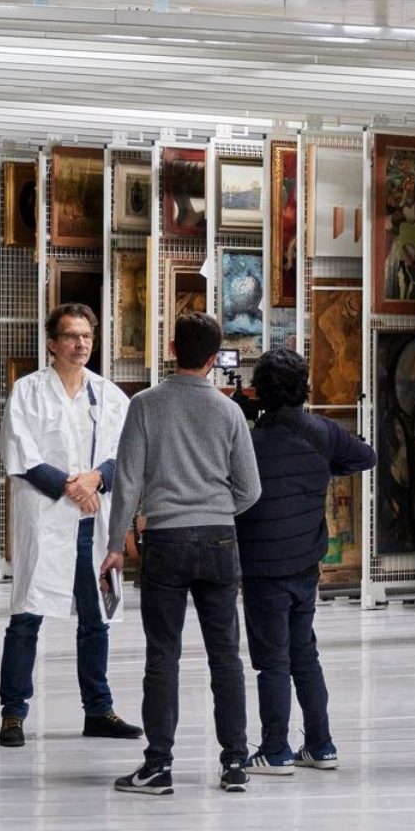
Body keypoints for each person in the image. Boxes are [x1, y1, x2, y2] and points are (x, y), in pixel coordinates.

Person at [105, 310, 264, 795]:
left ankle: (158, 766)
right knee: (226, 658)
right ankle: (235, 763)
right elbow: (251, 490)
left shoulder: (146, 405)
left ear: (173, 347)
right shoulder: (229, 411)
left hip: (166, 542)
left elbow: (128, 480)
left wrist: (116, 543)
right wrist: (216, 508)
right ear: (215, 359)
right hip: (219, 541)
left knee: (163, 656)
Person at [0, 303, 137, 748]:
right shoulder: (28, 392)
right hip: (47, 517)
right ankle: (14, 713)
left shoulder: (110, 395)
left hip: (92, 524)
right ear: (52, 343)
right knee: (27, 617)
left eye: (87, 337)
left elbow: (127, 454)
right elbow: (21, 452)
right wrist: (71, 487)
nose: (81, 345)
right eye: (72, 337)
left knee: (96, 620)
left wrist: (98, 478)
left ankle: (99, 709)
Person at [234, 346, 374, 774]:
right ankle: (321, 744)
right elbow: (366, 456)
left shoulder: (249, 441)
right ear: (304, 388)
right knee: (304, 654)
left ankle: (275, 749)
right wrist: (321, 469)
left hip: (262, 565)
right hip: (305, 564)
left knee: (271, 660)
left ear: (259, 393)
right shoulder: (322, 432)